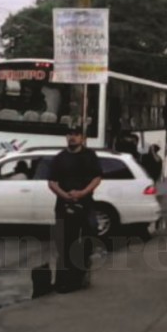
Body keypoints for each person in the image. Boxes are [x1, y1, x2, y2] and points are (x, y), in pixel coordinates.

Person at [47, 124, 103, 294]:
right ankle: (63, 282)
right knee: (65, 244)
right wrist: (64, 195)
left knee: (86, 241)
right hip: (63, 206)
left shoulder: (89, 156)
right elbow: (51, 182)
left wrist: (82, 193)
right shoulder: (59, 158)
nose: (72, 137)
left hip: (85, 205)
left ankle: (81, 277)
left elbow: (97, 178)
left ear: (82, 138)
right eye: (70, 134)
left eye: (76, 134)